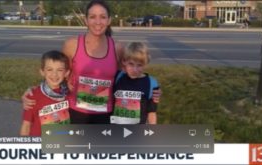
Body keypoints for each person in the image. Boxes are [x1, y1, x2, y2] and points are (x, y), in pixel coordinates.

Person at [22, 0, 160, 124]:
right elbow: (57, 74)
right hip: (75, 112)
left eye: (103, 17)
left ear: (109, 20)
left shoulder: (117, 48)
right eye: (93, 17)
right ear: (86, 20)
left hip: (106, 116)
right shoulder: (72, 45)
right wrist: (34, 92)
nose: (98, 22)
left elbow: (128, 78)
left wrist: (151, 88)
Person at [20, 50, 70, 136]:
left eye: (60, 70)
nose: (54, 74)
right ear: (42, 72)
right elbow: (26, 126)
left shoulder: (69, 94)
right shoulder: (33, 96)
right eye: (49, 70)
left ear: (66, 73)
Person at [110, 42, 159, 124]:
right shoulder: (118, 77)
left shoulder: (152, 83)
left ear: (145, 64)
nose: (135, 70)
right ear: (124, 61)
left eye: (139, 65)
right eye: (131, 64)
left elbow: (152, 112)